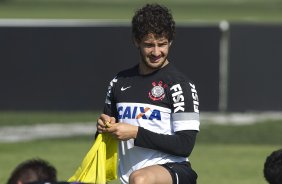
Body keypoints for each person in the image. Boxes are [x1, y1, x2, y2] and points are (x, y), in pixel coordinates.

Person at [97, 3, 200, 184]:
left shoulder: (180, 85)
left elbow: (185, 145)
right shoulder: (119, 81)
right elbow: (105, 137)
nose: (156, 52)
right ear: (136, 41)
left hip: (174, 170)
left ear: (170, 42)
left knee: (140, 179)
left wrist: (136, 133)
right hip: (130, 177)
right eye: (149, 45)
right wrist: (104, 128)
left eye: (162, 44)